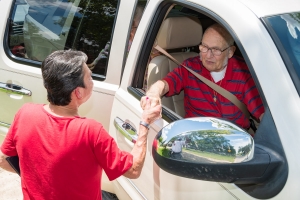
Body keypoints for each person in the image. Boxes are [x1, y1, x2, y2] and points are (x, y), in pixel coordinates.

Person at [0, 50, 161, 200]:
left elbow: (3, 159)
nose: (93, 80)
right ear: (78, 92)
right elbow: (133, 170)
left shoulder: (25, 113)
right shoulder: (91, 131)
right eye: (90, 77)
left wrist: (36, 178)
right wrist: (144, 124)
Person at [141, 23, 264, 130]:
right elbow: (166, 83)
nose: (208, 55)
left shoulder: (243, 72)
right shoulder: (190, 67)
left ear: (230, 52)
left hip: (233, 144)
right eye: (204, 47)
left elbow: (263, 114)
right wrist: (153, 93)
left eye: (216, 50)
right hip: (195, 140)